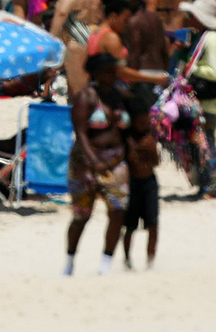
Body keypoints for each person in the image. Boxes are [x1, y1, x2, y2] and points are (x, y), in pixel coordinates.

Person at [65, 52, 131, 276]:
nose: (113, 75)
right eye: (108, 71)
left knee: (118, 211)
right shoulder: (86, 98)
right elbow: (81, 134)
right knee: (81, 216)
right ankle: (70, 260)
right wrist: (94, 162)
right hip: (86, 163)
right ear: (96, 74)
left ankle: (106, 263)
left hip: (115, 161)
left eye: (114, 71)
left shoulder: (119, 95)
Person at [181, 0, 216, 198]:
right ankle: (204, 185)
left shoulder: (212, 38)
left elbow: (215, 72)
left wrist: (193, 68)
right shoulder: (200, 37)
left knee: (207, 142)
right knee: (198, 143)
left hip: (208, 102)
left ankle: (211, 186)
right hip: (199, 100)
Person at [120, 93, 160, 271]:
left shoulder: (149, 138)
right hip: (132, 184)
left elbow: (156, 162)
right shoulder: (127, 139)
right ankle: (127, 259)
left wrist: (151, 150)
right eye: (141, 121)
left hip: (149, 183)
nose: (145, 125)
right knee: (130, 226)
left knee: (153, 224)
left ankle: (150, 261)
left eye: (147, 121)